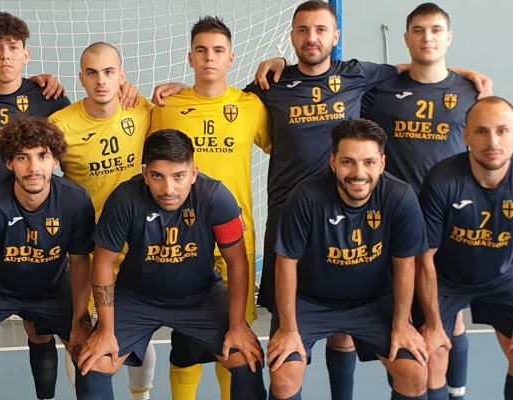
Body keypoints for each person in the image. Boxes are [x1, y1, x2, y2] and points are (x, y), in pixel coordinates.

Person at [152, 2, 491, 399]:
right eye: (302, 30)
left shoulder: (356, 75)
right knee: (274, 343)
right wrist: (183, 90)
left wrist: (463, 76)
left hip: (352, 215)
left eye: (320, 30)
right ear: (292, 36)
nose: (311, 37)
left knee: (373, 329)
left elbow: (416, 68)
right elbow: (217, 96)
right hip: (290, 221)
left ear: (336, 36)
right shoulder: (269, 87)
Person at [75, 129, 266, 400]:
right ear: (145, 174)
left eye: (178, 176)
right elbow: (104, 264)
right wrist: (105, 330)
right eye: (157, 176)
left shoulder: (217, 197)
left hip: (200, 297)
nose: (168, 189)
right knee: (92, 368)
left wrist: (238, 326)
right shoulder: (124, 199)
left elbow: (237, 262)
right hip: (137, 298)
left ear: (193, 173)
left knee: (248, 361)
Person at [362, 4, 482, 398]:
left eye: (435, 30)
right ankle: (411, 386)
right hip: (398, 220)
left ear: (449, 37)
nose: (427, 37)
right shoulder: (380, 92)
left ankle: (456, 391)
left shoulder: (472, 92)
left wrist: (464, 73)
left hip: (453, 220)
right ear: (406, 38)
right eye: (418, 30)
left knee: (450, 318)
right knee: (408, 320)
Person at [148, 16, 270, 400]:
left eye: (218, 50)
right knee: (186, 341)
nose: (209, 57)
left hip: (236, 237)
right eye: (201, 50)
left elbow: (289, 145)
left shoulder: (252, 106)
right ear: (190, 58)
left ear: (231, 58)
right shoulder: (166, 107)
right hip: (184, 241)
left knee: (235, 338)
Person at [268, 118, 429, 400]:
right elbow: (286, 264)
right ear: (333, 162)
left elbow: (406, 266)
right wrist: (288, 328)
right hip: (310, 303)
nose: (358, 173)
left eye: (369, 162)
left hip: (373, 303)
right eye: (348, 162)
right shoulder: (306, 196)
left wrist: (402, 324)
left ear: (382, 163)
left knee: (415, 374)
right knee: (283, 377)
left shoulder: (400, 197)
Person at [49, 41, 155, 400]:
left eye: (109, 72)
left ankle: (141, 396)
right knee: (81, 337)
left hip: (137, 247)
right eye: (92, 73)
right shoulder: (60, 125)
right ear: (81, 78)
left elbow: (183, 115)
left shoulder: (141, 109)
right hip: (85, 251)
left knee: (137, 335)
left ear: (122, 76)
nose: (101, 81)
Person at [0, 116, 95, 400]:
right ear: (9, 163)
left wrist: (80, 323)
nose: (33, 167)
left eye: (42, 156)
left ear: (56, 160)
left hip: (52, 287)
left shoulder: (76, 200)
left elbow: (80, 264)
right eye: (23, 157)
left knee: (89, 354)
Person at [416, 96, 513, 400]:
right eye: (482, 131)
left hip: (502, 277)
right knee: (431, 356)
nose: (493, 141)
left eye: (502, 130)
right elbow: (424, 260)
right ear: (466, 136)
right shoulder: (442, 181)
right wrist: (433, 324)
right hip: (445, 280)